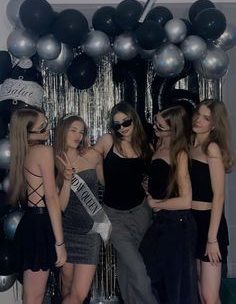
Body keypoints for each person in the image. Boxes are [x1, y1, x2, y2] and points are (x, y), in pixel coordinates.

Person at [94, 101, 157, 304]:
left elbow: (149, 178)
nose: (122, 128)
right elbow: (90, 161)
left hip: (141, 213)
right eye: (117, 125)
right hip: (114, 215)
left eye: (126, 122)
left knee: (127, 266)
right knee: (137, 267)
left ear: (134, 120)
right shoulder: (107, 141)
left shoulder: (146, 146)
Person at [139, 105, 198, 304]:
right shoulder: (158, 145)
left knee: (175, 285)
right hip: (162, 222)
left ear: (173, 129)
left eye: (159, 125)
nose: (154, 127)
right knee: (157, 279)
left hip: (177, 224)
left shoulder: (179, 153)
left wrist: (158, 202)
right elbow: (163, 182)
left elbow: (186, 200)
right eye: (155, 122)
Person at [8, 107, 67, 304]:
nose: (48, 130)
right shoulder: (43, 151)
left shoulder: (22, 153)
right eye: (43, 128)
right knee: (34, 297)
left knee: (32, 296)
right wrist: (60, 244)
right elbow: (51, 198)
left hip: (30, 223)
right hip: (41, 224)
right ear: (28, 133)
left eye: (47, 124)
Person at [54, 115, 105, 304]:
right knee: (66, 288)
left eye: (81, 132)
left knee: (79, 295)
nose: (77, 135)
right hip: (66, 232)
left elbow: (108, 185)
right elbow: (60, 206)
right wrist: (67, 179)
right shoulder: (54, 160)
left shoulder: (92, 156)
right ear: (63, 131)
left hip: (90, 233)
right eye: (73, 130)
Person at [189, 99, 234, 304]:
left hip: (210, 224)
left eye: (206, 118)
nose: (198, 120)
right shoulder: (190, 146)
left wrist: (212, 238)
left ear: (214, 124)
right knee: (199, 285)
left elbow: (219, 196)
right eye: (198, 114)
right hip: (192, 222)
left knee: (209, 296)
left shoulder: (212, 148)